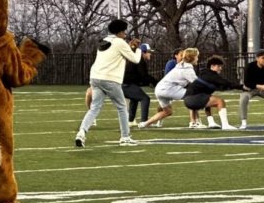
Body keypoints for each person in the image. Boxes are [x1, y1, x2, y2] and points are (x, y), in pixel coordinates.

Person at [75, 19, 142, 147]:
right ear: (120, 32)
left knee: (94, 108)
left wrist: (130, 46)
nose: (125, 34)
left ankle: (81, 133)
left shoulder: (105, 41)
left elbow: (117, 52)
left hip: (95, 77)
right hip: (110, 79)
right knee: (122, 107)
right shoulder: (120, 42)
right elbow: (135, 59)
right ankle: (125, 137)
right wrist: (138, 49)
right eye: (124, 31)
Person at [140, 48, 200, 129]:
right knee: (194, 96)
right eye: (197, 56)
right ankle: (193, 122)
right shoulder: (188, 68)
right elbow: (198, 84)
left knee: (168, 112)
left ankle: (145, 124)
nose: (198, 58)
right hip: (168, 89)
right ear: (192, 58)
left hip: (159, 90)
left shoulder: (181, 65)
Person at [183, 56, 245, 130]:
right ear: (212, 66)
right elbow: (227, 83)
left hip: (189, 100)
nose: (220, 68)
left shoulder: (205, 73)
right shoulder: (212, 75)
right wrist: (242, 87)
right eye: (219, 66)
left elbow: (223, 86)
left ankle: (211, 122)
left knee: (208, 98)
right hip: (193, 99)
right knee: (219, 101)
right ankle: (225, 125)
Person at [123, 43, 158, 126]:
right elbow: (144, 76)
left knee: (134, 99)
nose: (150, 54)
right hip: (126, 85)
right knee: (145, 98)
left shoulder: (138, 60)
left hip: (125, 85)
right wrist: (155, 82)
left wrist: (150, 82)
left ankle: (130, 121)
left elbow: (141, 77)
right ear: (143, 52)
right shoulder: (140, 60)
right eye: (149, 52)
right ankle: (144, 121)